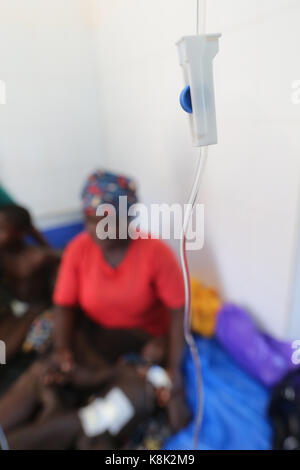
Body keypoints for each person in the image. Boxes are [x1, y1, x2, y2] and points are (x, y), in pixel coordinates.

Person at [0, 170, 190, 448]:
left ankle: (68, 425)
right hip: (91, 341)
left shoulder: (156, 255)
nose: (96, 229)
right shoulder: (79, 250)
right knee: (42, 375)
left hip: (140, 351)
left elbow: (177, 315)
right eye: (90, 220)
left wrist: (174, 370)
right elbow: (63, 306)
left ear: (127, 218)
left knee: (111, 412)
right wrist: (63, 350)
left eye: (106, 221)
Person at [0, 205, 59, 372]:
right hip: (16, 309)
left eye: (2, 230)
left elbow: (65, 259)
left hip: (39, 309)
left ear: (21, 233)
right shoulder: (3, 254)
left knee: (11, 347)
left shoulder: (39, 257)